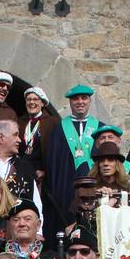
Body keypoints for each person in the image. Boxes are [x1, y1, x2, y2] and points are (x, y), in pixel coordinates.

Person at [44, 83, 99, 211]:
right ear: (70, 102)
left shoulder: (100, 128)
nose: (80, 102)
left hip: (93, 188)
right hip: (65, 187)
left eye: (84, 98)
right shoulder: (58, 130)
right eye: (75, 98)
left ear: (90, 100)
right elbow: (52, 165)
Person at [18, 85, 57, 184]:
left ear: (42, 103)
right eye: (29, 99)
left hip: (41, 174)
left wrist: (45, 171)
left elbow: (56, 151)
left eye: (35, 99)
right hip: (22, 171)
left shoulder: (52, 122)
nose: (31, 102)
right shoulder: (20, 122)